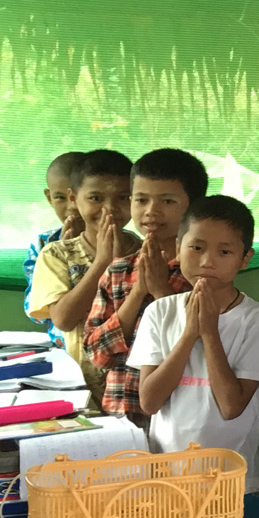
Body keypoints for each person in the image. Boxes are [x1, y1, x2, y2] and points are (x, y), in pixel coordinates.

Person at [131, 196, 259, 518]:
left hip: (234, 485)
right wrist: (189, 333)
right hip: (167, 482)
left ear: (245, 259)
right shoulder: (159, 312)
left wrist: (209, 333)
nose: (207, 261)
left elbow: (231, 406)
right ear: (178, 248)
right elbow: (149, 401)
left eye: (224, 252)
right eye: (197, 247)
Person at [85, 148, 208, 417]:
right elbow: (96, 354)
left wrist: (161, 290)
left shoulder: (204, 273)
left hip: (179, 416)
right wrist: (139, 291)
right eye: (141, 200)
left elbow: (201, 350)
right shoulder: (118, 270)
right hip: (121, 415)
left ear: (194, 206)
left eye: (167, 201)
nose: (151, 211)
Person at [30, 148, 134, 404]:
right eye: (96, 198)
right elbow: (63, 319)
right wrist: (102, 263)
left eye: (123, 198)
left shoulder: (146, 252)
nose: (109, 209)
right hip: (81, 390)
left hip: (133, 387)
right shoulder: (56, 254)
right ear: (74, 198)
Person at [24, 151, 85, 340]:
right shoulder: (44, 244)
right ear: (49, 197)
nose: (72, 207)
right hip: (61, 346)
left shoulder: (121, 243)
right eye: (60, 197)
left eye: (78, 197)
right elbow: (36, 312)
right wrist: (64, 253)